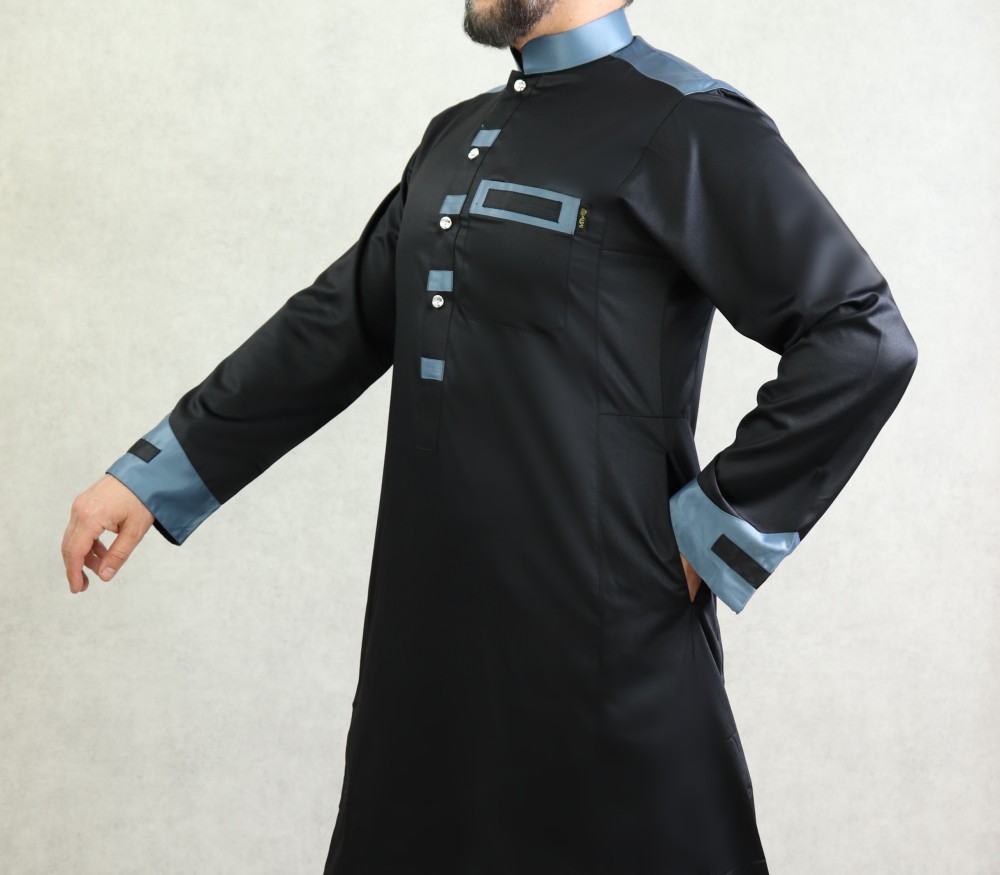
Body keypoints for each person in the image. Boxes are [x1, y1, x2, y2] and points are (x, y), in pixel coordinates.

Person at [61, 1, 918, 871]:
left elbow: (861, 336)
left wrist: (708, 535)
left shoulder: (688, 123)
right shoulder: (456, 136)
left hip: (605, 644)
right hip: (425, 649)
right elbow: (337, 322)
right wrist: (151, 474)